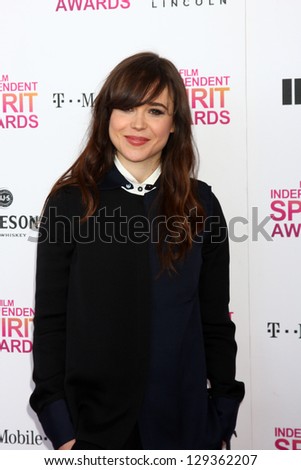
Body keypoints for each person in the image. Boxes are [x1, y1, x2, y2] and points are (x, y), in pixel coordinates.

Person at [29, 51, 245, 451]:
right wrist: (61, 425)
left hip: (187, 429)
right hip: (92, 431)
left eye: (156, 110)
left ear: (175, 124)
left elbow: (215, 319)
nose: (138, 124)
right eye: (127, 107)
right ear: (106, 115)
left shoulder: (202, 205)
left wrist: (223, 413)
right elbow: (51, 321)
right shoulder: (70, 203)